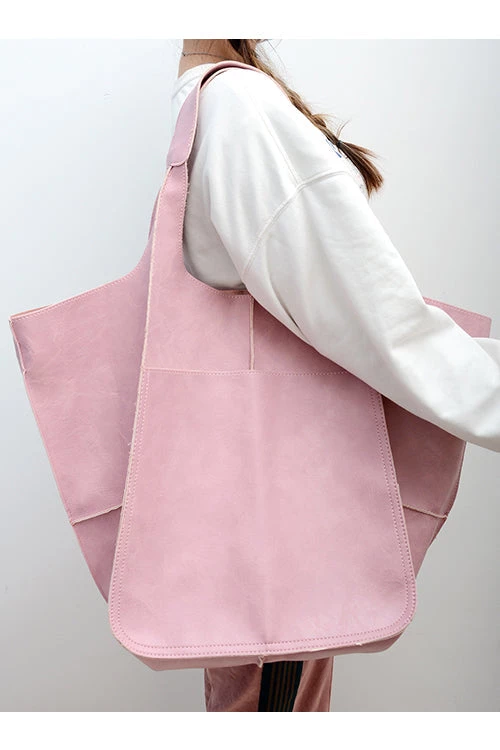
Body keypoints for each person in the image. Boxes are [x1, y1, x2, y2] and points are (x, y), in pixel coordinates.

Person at [172, 39, 500, 711]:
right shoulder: (238, 103)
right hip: (281, 524)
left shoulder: (203, 98)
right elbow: (377, 320)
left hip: (253, 511)